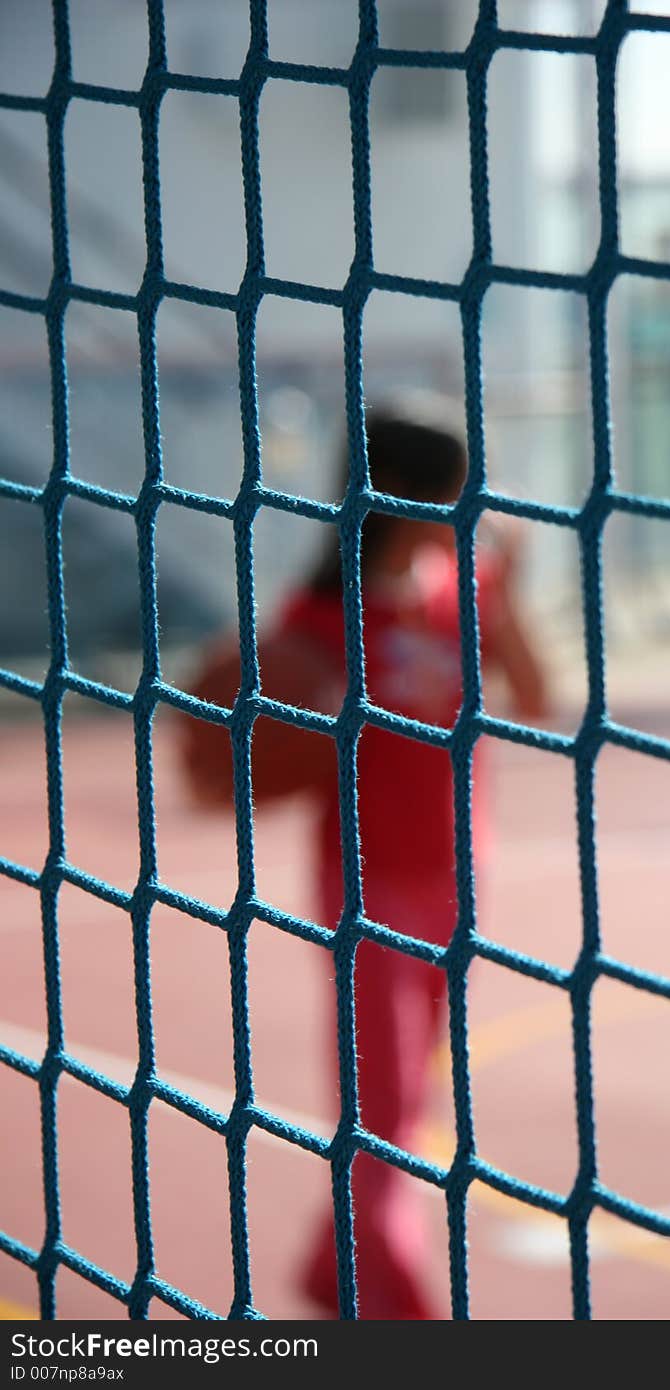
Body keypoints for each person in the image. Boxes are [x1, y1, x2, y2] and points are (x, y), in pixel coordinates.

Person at [180, 401, 548, 1318]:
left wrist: (513, 588)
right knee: (383, 1108)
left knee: (407, 1092)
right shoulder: (318, 616)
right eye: (453, 494)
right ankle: (396, 1303)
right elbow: (223, 753)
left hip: (461, 877)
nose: (471, 509)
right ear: (404, 498)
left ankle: (328, 1270)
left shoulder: (467, 587)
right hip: (366, 888)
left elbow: (539, 697)